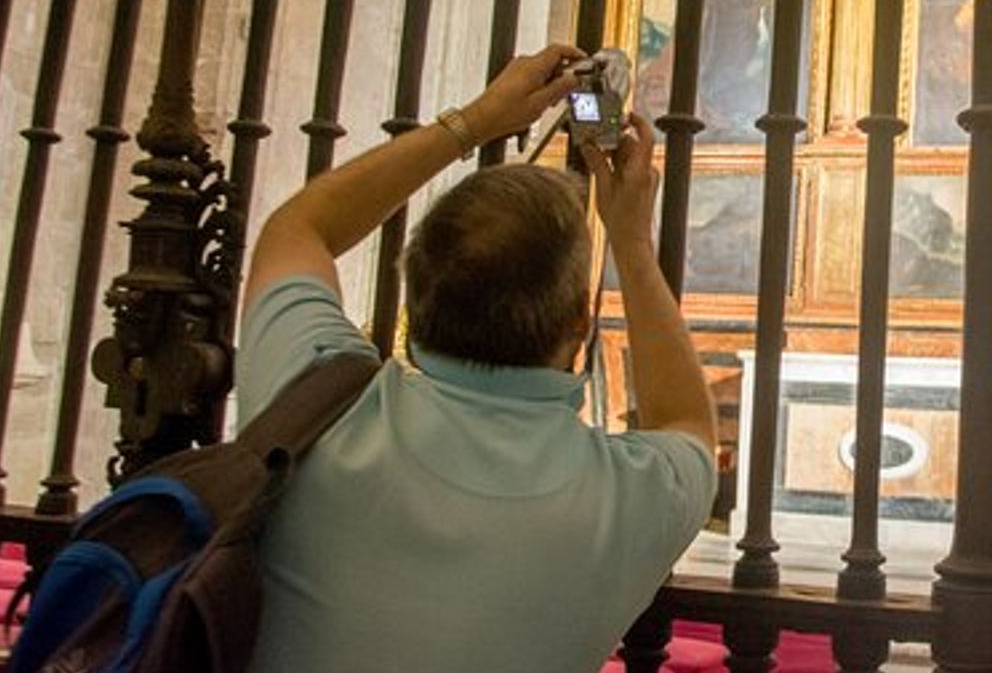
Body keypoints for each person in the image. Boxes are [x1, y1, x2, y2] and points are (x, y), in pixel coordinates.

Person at [238, 44, 717, 673]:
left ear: (414, 292)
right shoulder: (626, 499)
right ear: (578, 324)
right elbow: (687, 423)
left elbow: (297, 229)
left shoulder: (315, 402)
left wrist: (476, 120)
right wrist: (630, 240)